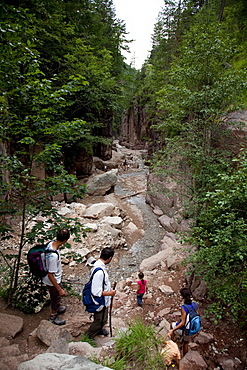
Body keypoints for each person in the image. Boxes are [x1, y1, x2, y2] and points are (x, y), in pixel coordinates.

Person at [85, 247, 116, 339]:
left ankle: (99, 330)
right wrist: (110, 293)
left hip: (103, 300)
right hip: (99, 301)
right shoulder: (99, 272)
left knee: (103, 318)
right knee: (99, 321)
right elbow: (96, 292)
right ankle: (88, 337)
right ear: (110, 258)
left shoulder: (98, 265)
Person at [42, 228, 70, 325]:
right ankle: (53, 317)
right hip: (52, 280)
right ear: (65, 241)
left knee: (56, 297)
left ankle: (57, 308)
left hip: (50, 278)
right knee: (55, 297)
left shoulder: (51, 243)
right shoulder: (53, 256)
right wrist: (59, 289)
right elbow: (51, 275)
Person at [168, 287, 200, 356]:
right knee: (186, 343)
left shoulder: (184, 308)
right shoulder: (195, 305)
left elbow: (182, 323)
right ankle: (185, 356)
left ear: (183, 297)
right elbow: (198, 314)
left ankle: (173, 345)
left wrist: (173, 330)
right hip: (192, 329)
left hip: (185, 329)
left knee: (172, 325)